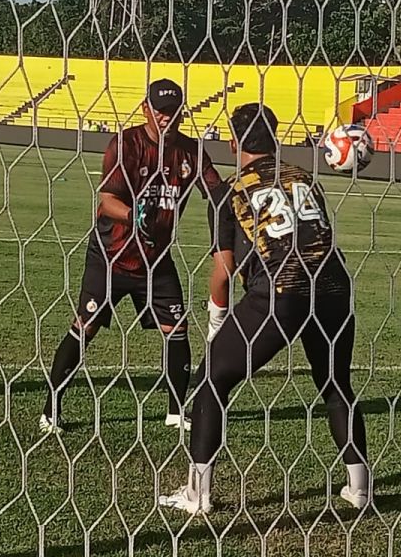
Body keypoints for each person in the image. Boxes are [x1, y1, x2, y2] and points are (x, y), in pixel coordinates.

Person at [159, 103, 370, 515]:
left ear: (235, 142)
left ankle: (197, 494)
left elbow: (223, 270)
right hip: (332, 288)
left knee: (209, 381)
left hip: (281, 293)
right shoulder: (305, 178)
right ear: (274, 138)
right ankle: (359, 488)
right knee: (335, 384)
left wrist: (217, 321)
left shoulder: (229, 192)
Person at [40, 79, 222, 434]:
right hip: (112, 255)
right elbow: (106, 201)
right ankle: (51, 410)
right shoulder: (126, 144)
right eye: (160, 111)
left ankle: (175, 411)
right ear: (146, 109)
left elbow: (216, 190)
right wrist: (132, 214)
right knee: (86, 327)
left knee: (177, 329)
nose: (166, 118)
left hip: (156, 260)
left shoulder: (190, 152)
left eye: (173, 112)